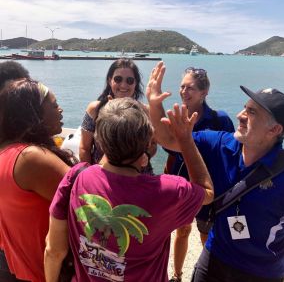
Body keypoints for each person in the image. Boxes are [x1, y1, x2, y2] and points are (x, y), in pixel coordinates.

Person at [44, 97, 214, 282]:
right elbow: (207, 192)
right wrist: (185, 140)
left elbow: (54, 251)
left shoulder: (77, 176)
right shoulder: (168, 191)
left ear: (99, 139)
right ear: (149, 142)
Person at [147, 61, 284, 282]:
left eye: (251, 112)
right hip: (215, 256)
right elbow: (169, 139)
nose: (240, 115)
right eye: (244, 107)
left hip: (261, 272)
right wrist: (154, 103)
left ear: (275, 129)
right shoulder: (220, 143)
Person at [0, 78, 76, 282]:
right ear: (34, 113)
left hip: (18, 268)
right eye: (53, 104)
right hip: (44, 272)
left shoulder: (9, 151)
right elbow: (88, 197)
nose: (60, 110)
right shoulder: (30, 158)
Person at [165, 67, 234, 282]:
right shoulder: (176, 116)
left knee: (206, 235)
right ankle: (177, 275)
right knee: (182, 231)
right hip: (183, 183)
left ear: (204, 92)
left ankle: (210, 273)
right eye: (182, 86)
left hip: (209, 187)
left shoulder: (219, 120)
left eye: (190, 88)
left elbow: (231, 152)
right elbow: (170, 149)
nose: (184, 91)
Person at [79, 58, 145, 164]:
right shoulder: (95, 109)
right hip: (102, 174)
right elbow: (84, 148)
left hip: (137, 175)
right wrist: (90, 176)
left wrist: (147, 154)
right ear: (110, 80)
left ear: (135, 83)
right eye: (118, 79)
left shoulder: (144, 111)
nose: (123, 85)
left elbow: (153, 145)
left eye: (129, 80)